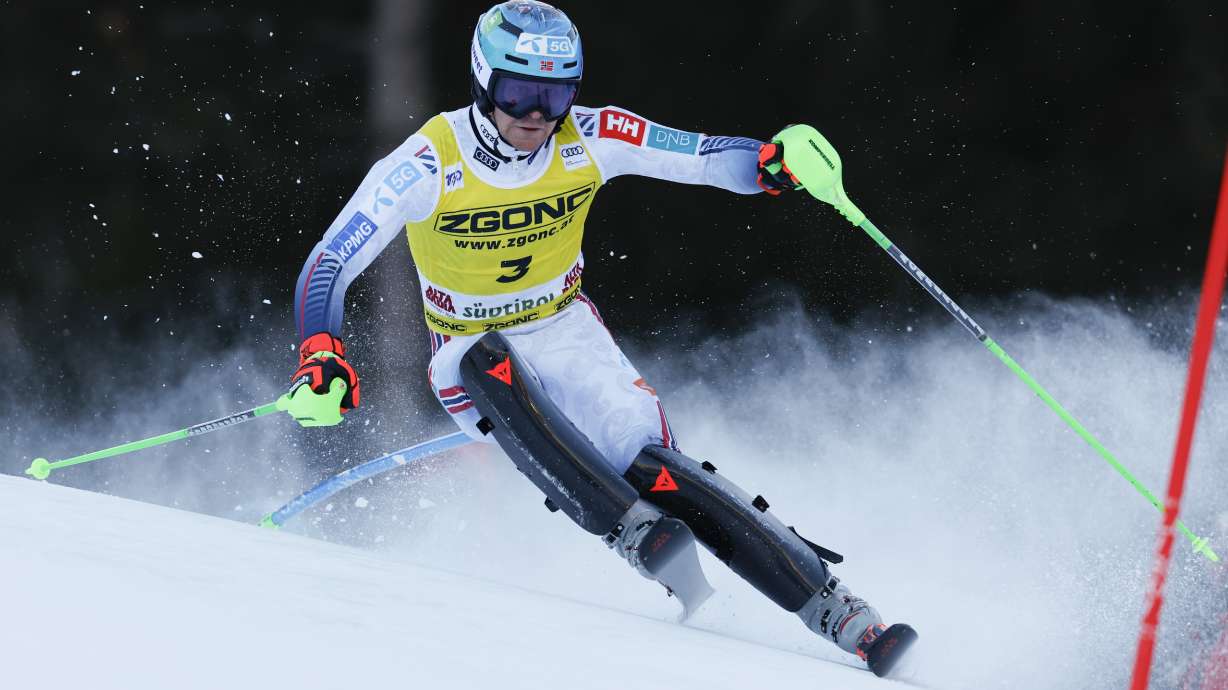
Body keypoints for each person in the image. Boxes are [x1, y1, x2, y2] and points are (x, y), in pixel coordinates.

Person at [283, 0, 916, 677]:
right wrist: (322, 350)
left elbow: (701, 157)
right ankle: (629, 529)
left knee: (651, 463)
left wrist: (771, 163)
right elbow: (330, 261)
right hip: (466, 341)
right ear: (481, 81)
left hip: (565, 329)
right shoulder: (427, 162)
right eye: (518, 92)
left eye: (553, 95)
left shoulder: (590, 133)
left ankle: (841, 612)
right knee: (483, 363)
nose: (534, 115)